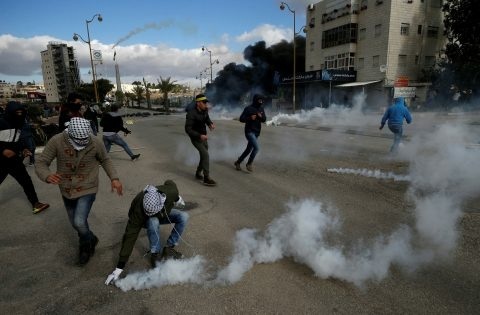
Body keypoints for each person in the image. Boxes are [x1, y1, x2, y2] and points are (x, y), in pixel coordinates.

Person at [35, 117, 124, 266]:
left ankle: (84, 247)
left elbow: (105, 159)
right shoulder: (56, 141)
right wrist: (47, 175)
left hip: (88, 186)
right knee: (75, 224)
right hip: (66, 188)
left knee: (79, 221)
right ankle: (90, 238)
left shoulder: (95, 142)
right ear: (69, 134)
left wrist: (114, 178)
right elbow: (41, 162)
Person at [105, 180, 188, 285]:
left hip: (163, 212)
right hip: (146, 219)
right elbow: (129, 237)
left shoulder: (170, 192)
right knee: (153, 220)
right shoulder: (137, 213)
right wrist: (119, 268)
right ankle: (155, 254)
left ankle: (169, 249)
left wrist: (177, 198)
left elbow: (169, 182)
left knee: (183, 216)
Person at [0, 101, 49, 214]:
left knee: (26, 181)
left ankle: (35, 204)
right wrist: (2, 150)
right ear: (10, 112)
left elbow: (17, 140)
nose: (19, 114)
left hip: (13, 161)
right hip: (0, 160)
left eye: (21, 112)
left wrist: (24, 149)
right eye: (17, 112)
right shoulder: (1, 123)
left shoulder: (19, 123)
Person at [185, 94, 216, 186]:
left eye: (206, 102)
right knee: (206, 155)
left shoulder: (205, 110)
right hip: (196, 138)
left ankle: (198, 173)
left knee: (203, 156)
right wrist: (199, 136)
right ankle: (206, 178)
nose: (206, 104)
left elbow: (207, 118)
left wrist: (210, 124)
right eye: (204, 102)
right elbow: (188, 129)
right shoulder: (191, 114)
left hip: (204, 136)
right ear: (198, 103)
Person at [234, 94, 267, 172]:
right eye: (259, 100)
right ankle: (249, 164)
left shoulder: (261, 109)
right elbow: (241, 119)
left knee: (248, 149)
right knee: (256, 148)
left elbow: (264, 120)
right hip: (249, 131)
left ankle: (238, 162)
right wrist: (250, 118)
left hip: (257, 132)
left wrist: (260, 116)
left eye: (262, 100)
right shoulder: (248, 108)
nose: (261, 102)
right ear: (255, 100)